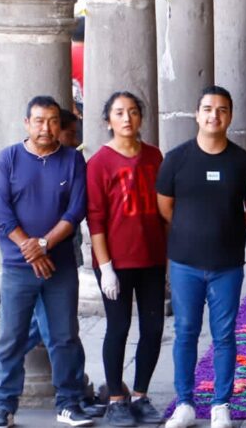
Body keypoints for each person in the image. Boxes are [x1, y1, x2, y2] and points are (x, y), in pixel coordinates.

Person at [0, 95, 93, 428]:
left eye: (52, 121)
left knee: (64, 336)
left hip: (59, 265)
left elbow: (75, 211)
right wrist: (30, 250)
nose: (46, 128)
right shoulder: (8, 159)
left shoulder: (72, 161)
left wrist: (45, 244)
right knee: (11, 338)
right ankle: (3, 405)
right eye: (38, 121)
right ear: (26, 123)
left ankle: (68, 402)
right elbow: (2, 213)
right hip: (18, 267)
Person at [159, 86, 246, 428]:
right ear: (197, 114)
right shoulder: (176, 159)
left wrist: (228, 226)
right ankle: (185, 403)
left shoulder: (243, 162)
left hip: (227, 264)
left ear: (230, 116)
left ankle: (220, 404)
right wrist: (192, 229)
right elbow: (166, 207)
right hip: (185, 263)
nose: (214, 115)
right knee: (185, 331)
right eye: (208, 109)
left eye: (222, 110)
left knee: (225, 334)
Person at [86, 91, 167, 427]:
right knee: (118, 327)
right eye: (119, 113)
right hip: (116, 262)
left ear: (141, 118)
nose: (127, 118)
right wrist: (105, 268)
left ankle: (141, 393)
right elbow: (95, 218)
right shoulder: (100, 162)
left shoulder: (154, 155)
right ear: (108, 120)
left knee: (153, 327)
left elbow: (165, 208)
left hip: (152, 257)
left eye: (133, 112)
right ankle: (116, 399)